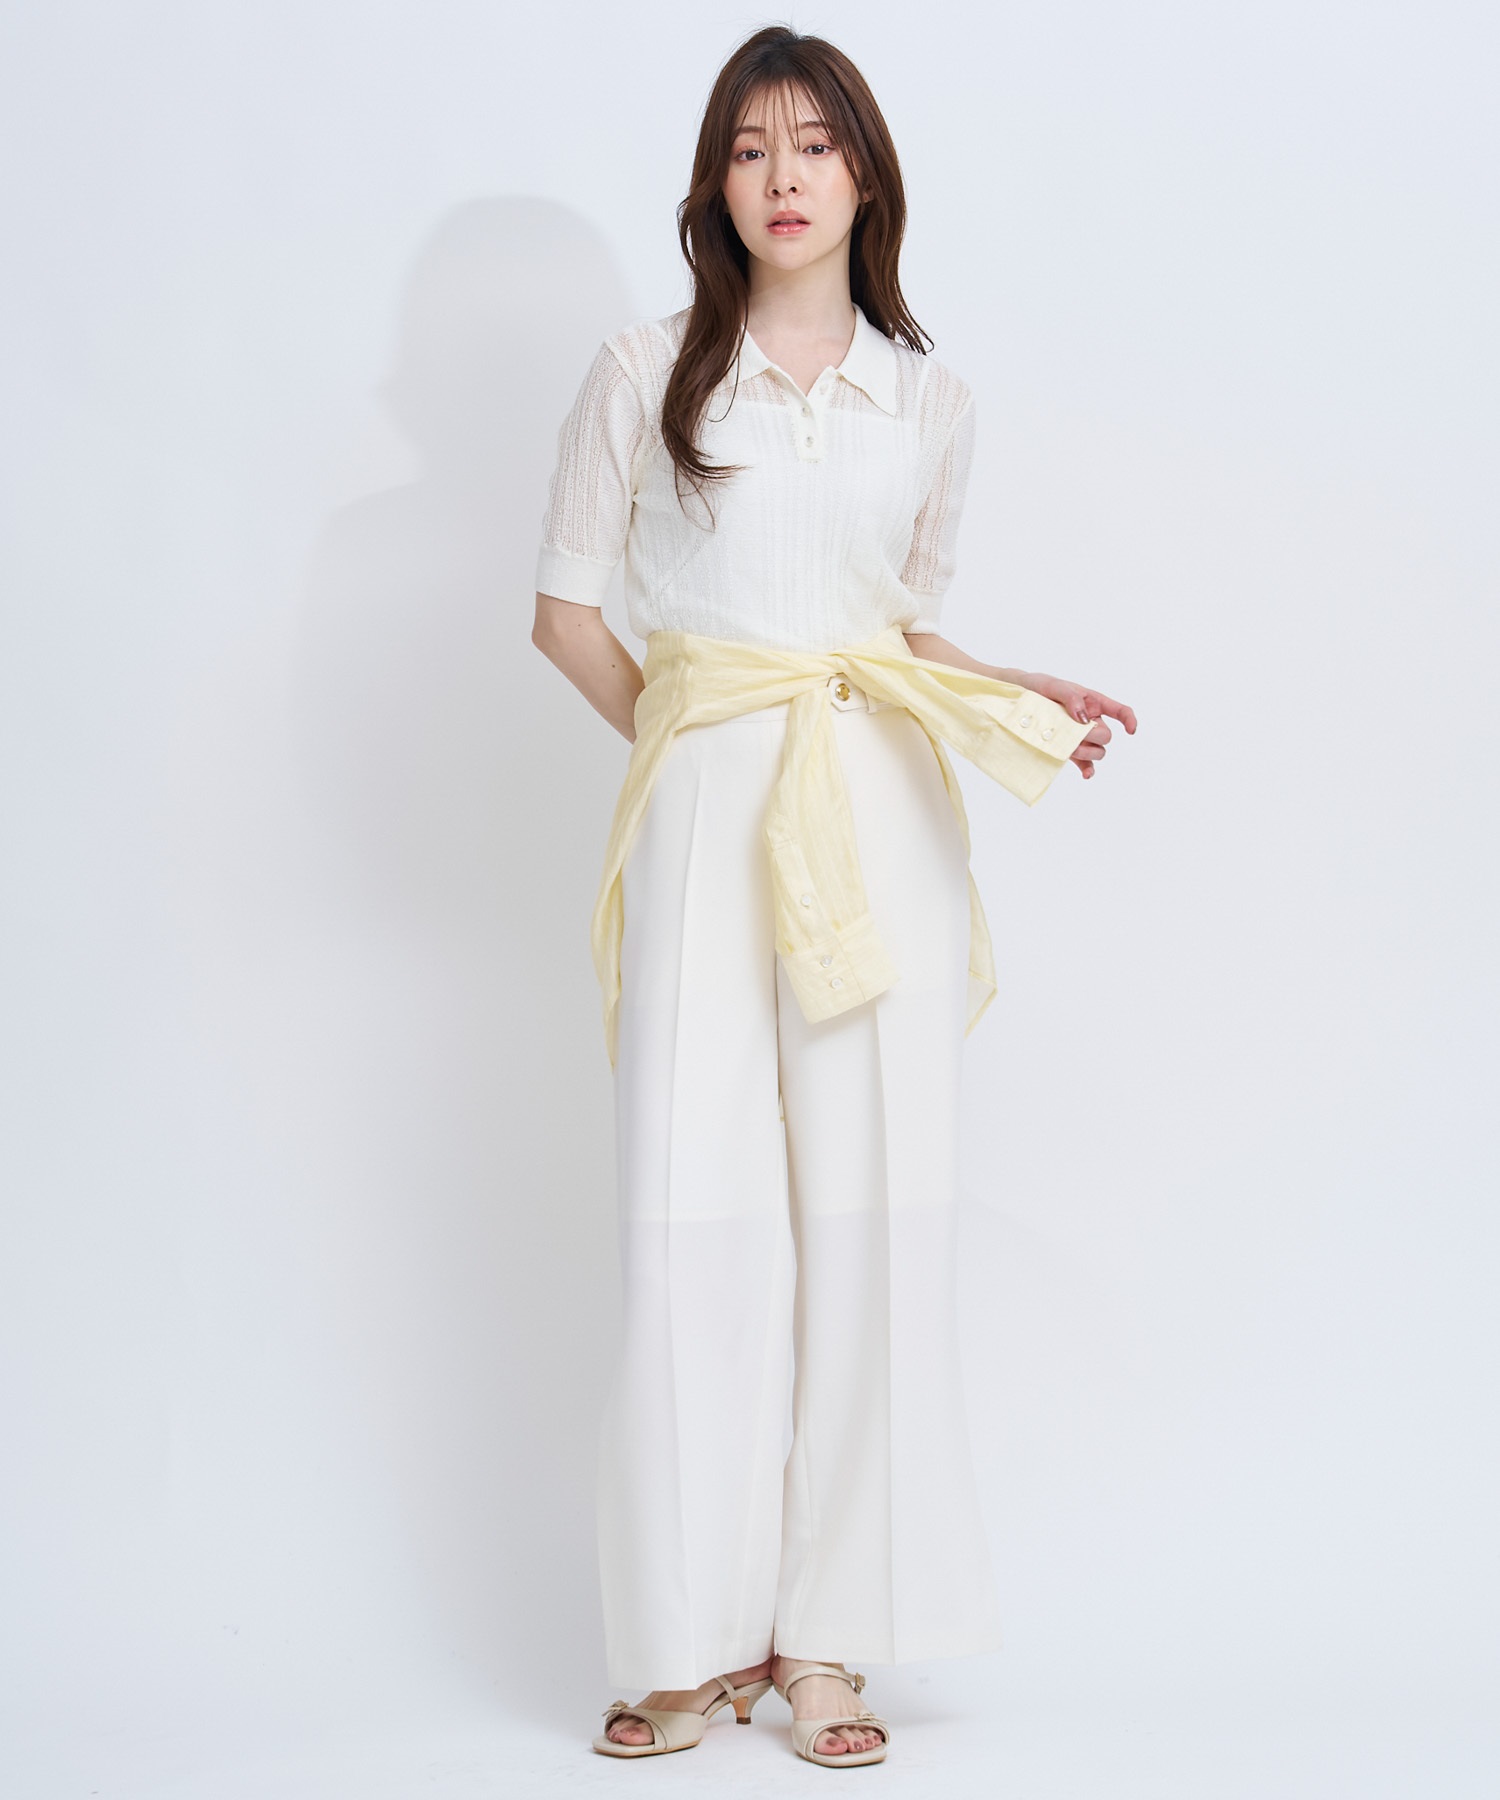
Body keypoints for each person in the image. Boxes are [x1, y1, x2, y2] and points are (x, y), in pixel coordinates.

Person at [530, 24, 1136, 1768]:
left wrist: (1015, 691)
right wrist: (696, 742)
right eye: (749, 147)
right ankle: (685, 1642)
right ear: (713, 184)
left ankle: (829, 1647)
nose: (782, 175)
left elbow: (896, 623)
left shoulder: (930, 401)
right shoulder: (643, 370)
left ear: (866, 176)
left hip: (879, 814)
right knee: (687, 1210)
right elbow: (566, 614)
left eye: (814, 143)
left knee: (874, 1210)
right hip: (706, 814)